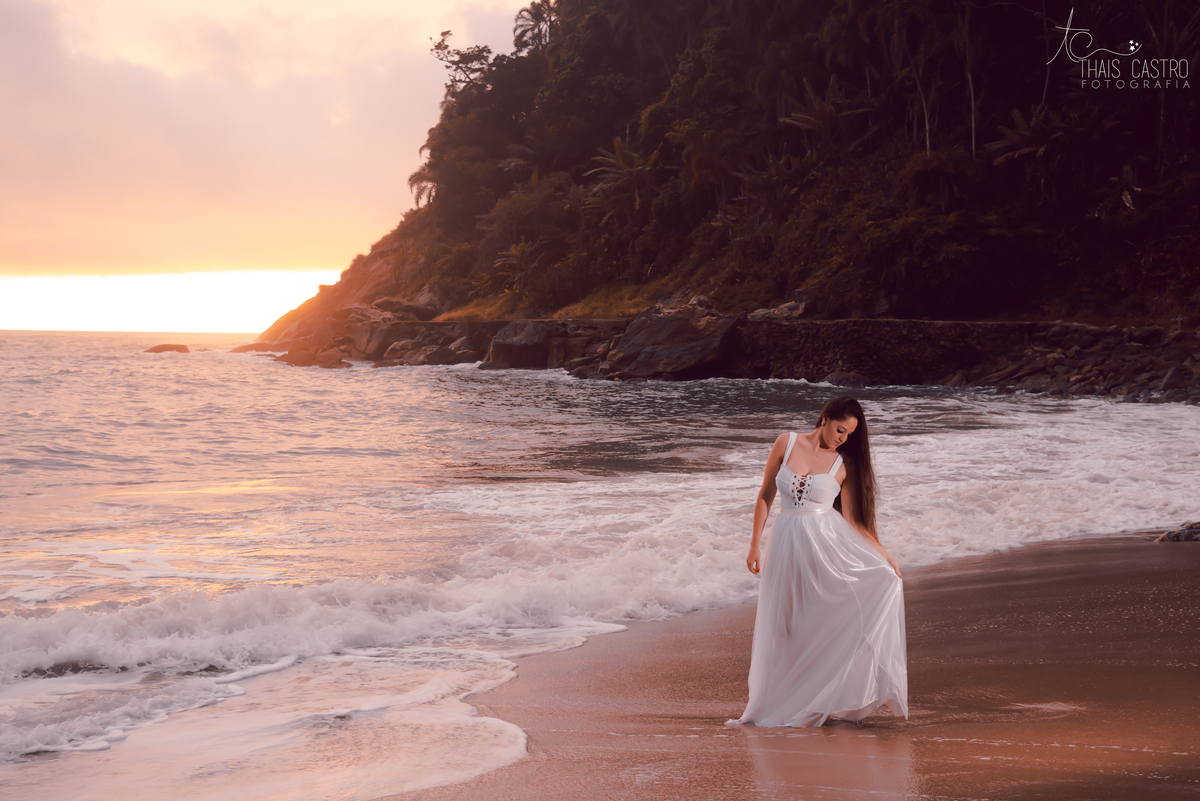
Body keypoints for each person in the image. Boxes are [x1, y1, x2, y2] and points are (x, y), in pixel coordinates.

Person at [734, 396, 908, 728]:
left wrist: (885, 555)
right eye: (841, 430)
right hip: (784, 543)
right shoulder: (786, 442)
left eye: (849, 435)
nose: (843, 438)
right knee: (782, 625)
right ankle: (780, 699)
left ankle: (819, 698)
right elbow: (765, 495)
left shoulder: (844, 464)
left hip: (824, 547)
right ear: (825, 418)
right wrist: (754, 545)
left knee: (812, 622)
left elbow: (854, 521)